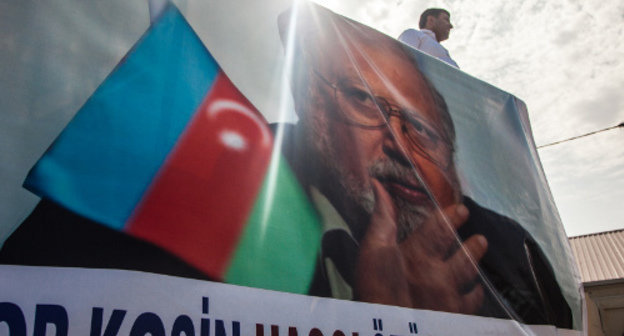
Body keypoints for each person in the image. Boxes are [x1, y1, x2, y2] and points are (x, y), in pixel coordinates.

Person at [277, 2, 571, 327]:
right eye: (366, 102)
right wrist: (384, 317)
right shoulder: (257, 190)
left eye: (423, 130)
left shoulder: (509, 247)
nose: (401, 146)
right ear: (307, 99)